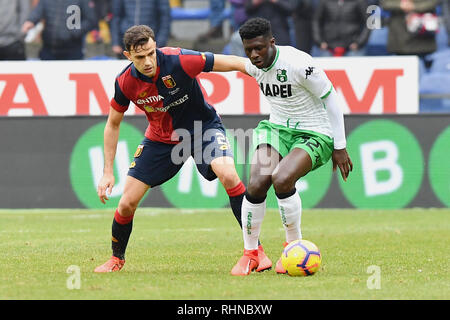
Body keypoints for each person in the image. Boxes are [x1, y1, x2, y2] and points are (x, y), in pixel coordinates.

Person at [94, 24, 272, 273]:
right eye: (140, 57)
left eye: (151, 53)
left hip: (203, 129)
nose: (148, 62)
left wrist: (259, 69)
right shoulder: (125, 83)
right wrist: (107, 171)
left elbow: (229, 61)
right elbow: (112, 124)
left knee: (229, 175)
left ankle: (256, 251)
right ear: (128, 56)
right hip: (160, 140)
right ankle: (116, 259)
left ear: (156, 46)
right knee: (125, 204)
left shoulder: (180, 59)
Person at [230, 17, 352, 275]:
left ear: (272, 42)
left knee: (282, 179)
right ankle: (252, 254)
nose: (254, 55)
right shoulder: (254, 65)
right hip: (276, 130)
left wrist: (339, 147)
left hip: (314, 133)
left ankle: (292, 249)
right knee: (256, 184)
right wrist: (186, 59)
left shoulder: (300, 64)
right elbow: (225, 62)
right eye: (249, 50)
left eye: (259, 48)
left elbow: (331, 100)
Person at [21, 0, 97, 60]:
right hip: (48, 51)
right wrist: (30, 21)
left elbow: (90, 20)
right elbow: (38, 12)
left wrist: (74, 31)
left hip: (72, 52)